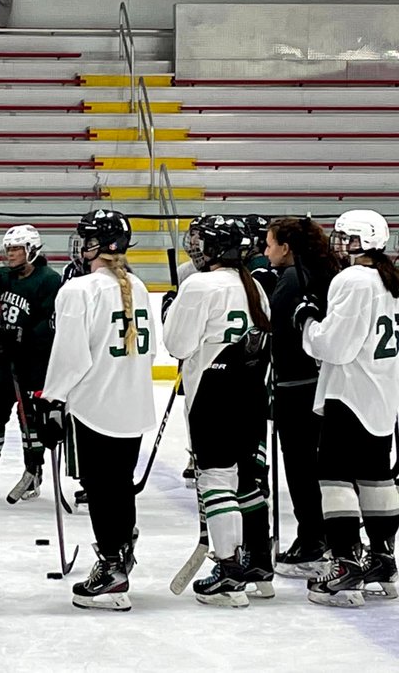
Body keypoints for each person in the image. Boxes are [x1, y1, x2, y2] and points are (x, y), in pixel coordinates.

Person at [32, 209, 156, 612]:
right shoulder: (137, 285)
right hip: (132, 406)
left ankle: (111, 570)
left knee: (102, 491)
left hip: (94, 407)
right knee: (120, 485)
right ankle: (121, 551)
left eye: (86, 238)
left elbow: (70, 357)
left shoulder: (79, 290)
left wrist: (51, 399)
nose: (80, 245)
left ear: (100, 245)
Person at [164, 215, 273, 608]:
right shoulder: (255, 286)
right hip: (250, 392)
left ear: (213, 249)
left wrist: (171, 311)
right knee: (248, 479)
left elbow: (177, 344)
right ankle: (259, 563)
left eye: (200, 241)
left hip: (213, 391)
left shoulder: (199, 284)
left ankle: (229, 571)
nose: (194, 247)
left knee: (216, 479)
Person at [295, 209, 399, 607]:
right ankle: (382, 560)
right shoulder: (388, 280)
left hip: (350, 392)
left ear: (362, 242)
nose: (339, 243)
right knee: (376, 477)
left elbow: (334, 346)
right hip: (382, 393)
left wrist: (307, 323)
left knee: (334, 478)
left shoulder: (354, 280)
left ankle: (345, 564)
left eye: (346, 237)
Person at [264, 216, 341, 578]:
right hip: (322, 384)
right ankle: (331, 536)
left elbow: (275, 331)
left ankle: (312, 539)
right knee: (322, 466)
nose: (266, 251)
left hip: (296, 387)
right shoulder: (324, 273)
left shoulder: (293, 279)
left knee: (300, 467)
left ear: (286, 247)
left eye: (269, 244)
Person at [0, 224, 60, 501]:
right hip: (2, 362)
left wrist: (23, 337)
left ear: (31, 250)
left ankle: (34, 470)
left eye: (16, 249)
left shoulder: (48, 280)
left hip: (32, 364)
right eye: (8, 249)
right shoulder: (2, 278)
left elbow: (51, 322)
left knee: (30, 419)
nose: (10, 254)